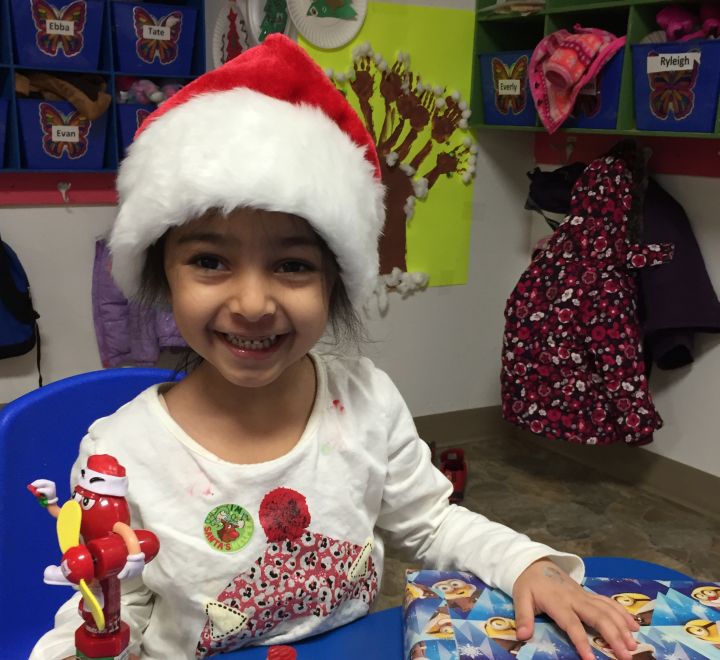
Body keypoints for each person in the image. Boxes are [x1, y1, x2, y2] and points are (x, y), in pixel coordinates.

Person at [30, 34, 640, 660]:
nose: (253, 303)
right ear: (162, 275)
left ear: (335, 283)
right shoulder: (119, 455)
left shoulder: (366, 401)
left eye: (292, 265)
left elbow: (432, 522)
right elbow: (103, 605)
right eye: (210, 261)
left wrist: (528, 564)